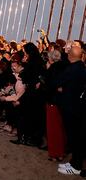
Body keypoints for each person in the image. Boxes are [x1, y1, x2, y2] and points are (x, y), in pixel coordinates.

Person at [56, 41, 86, 176]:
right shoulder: (82, 68)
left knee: (74, 137)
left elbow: (58, 83)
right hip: (77, 107)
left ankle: (76, 165)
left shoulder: (71, 69)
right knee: (75, 137)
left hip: (70, 108)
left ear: (70, 56)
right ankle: (74, 161)